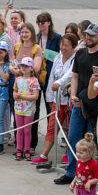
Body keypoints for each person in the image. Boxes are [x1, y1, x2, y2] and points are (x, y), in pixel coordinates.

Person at [55, 24, 98, 185]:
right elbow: (75, 76)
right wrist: (72, 95)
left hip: (94, 107)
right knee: (73, 138)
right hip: (78, 104)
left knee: (93, 142)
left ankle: (94, 174)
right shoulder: (81, 54)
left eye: (92, 35)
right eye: (87, 35)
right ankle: (72, 172)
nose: (88, 38)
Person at [32, 33, 78, 165]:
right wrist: (49, 96)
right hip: (57, 100)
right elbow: (52, 76)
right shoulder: (58, 58)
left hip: (69, 100)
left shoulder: (75, 59)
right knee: (52, 126)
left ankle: (68, 153)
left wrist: (60, 83)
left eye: (67, 46)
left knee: (70, 128)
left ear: (73, 47)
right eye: (62, 44)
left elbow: (70, 75)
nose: (63, 48)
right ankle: (44, 154)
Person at [34, 12, 62, 150]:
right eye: (38, 22)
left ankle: (51, 137)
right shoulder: (37, 37)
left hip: (51, 75)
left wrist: (47, 54)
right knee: (36, 107)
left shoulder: (56, 38)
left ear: (49, 23)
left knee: (50, 106)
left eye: (43, 22)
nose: (41, 25)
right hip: (39, 76)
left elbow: (61, 55)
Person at [13, 57, 41, 161]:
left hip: (29, 110)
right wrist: (15, 95)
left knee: (27, 130)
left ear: (31, 68)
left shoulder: (34, 81)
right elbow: (14, 91)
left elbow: (35, 96)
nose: (24, 68)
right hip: (18, 108)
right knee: (19, 129)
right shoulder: (18, 79)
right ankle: (19, 148)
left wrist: (23, 97)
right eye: (22, 66)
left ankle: (27, 149)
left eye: (26, 66)